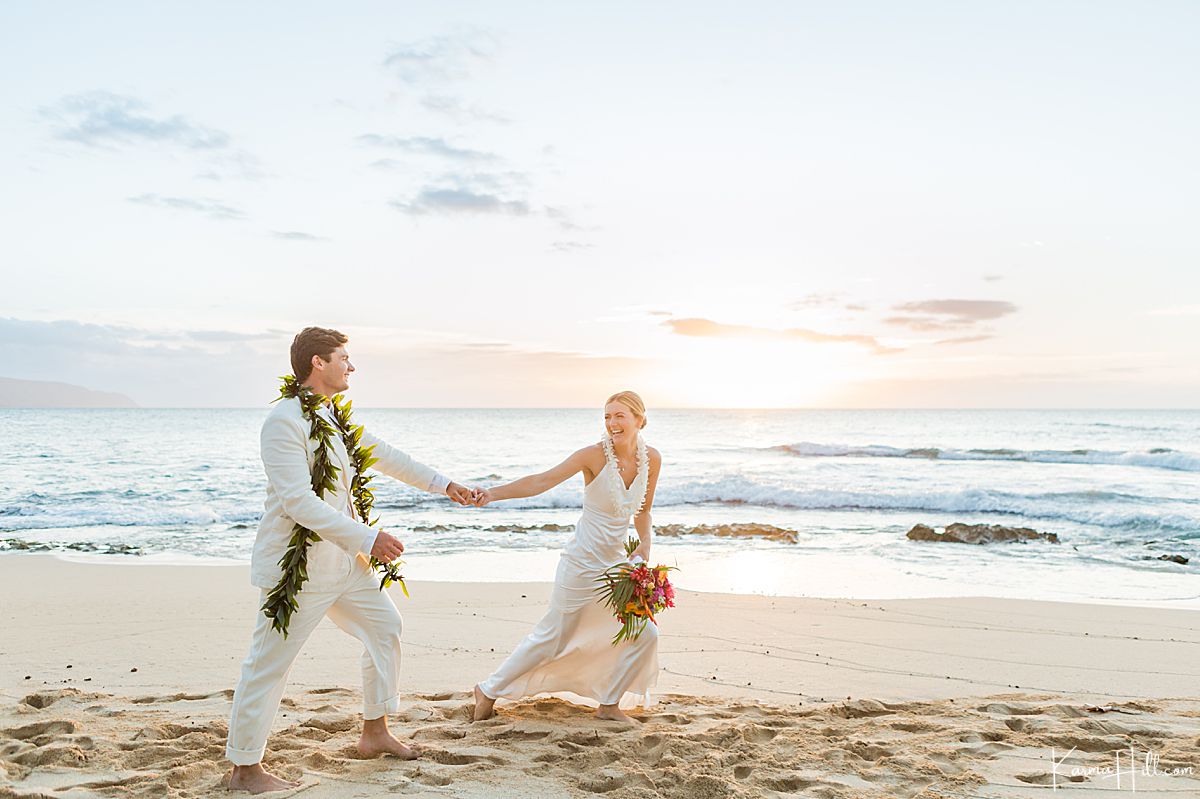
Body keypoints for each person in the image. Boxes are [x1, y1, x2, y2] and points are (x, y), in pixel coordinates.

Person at [226, 327, 475, 794]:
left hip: (346, 564)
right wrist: (370, 535)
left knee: (385, 628)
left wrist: (445, 485)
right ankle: (245, 769)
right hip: (298, 571)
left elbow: (385, 455)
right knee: (268, 664)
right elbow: (299, 501)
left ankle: (375, 732)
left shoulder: (334, 416)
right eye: (344, 358)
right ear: (317, 363)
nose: (351, 366)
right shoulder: (284, 421)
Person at [471, 391, 662, 723]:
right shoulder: (591, 456)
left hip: (618, 566)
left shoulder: (652, 459)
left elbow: (643, 511)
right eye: (607, 416)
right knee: (553, 636)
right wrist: (493, 494)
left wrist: (644, 548)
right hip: (581, 563)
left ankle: (609, 704)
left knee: (644, 633)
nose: (612, 423)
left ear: (639, 420)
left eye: (619, 416)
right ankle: (488, 689)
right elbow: (542, 481)